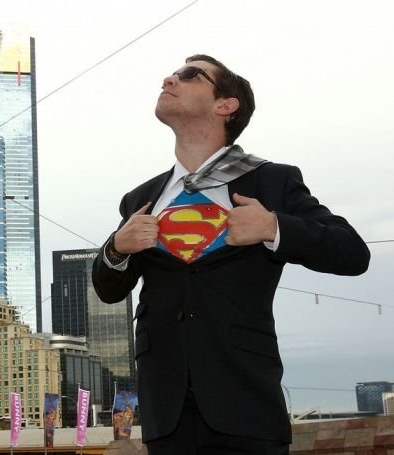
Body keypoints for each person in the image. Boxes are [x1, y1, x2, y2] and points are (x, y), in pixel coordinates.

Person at [92, 54, 370, 454]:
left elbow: (352, 252)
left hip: (246, 403)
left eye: (190, 75)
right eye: (173, 73)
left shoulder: (272, 180)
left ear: (226, 105)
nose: (169, 78)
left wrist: (273, 227)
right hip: (165, 408)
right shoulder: (141, 198)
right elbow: (108, 289)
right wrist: (117, 247)